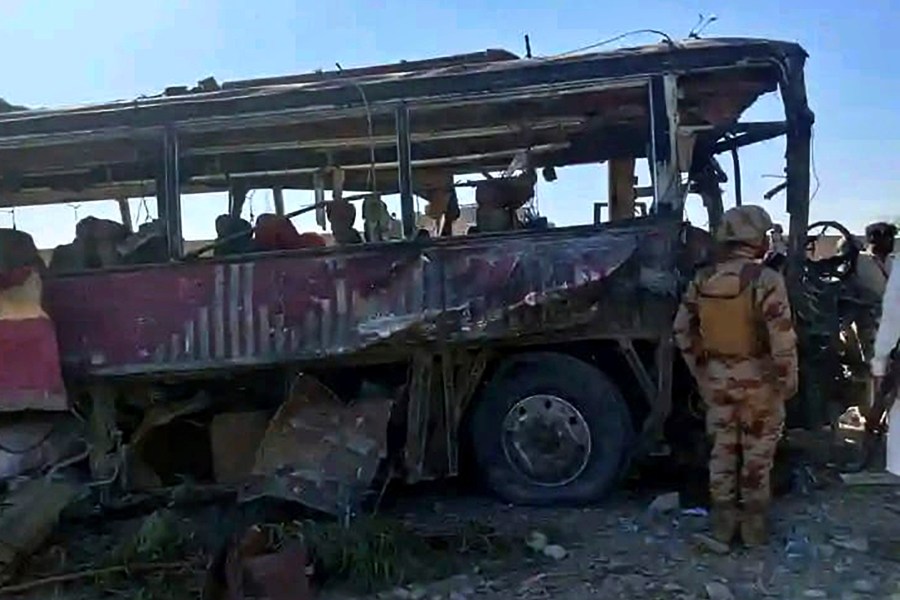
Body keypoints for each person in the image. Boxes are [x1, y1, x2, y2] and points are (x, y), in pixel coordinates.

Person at [673, 205, 798, 548]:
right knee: (758, 455)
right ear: (757, 238)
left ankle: (722, 527)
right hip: (759, 380)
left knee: (722, 452)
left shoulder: (702, 280)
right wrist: (787, 382)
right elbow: (782, 338)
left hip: (716, 380)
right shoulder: (767, 280)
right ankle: (754, 531)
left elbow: (682, 331)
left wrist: (702, 372)